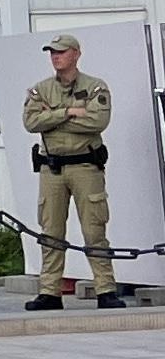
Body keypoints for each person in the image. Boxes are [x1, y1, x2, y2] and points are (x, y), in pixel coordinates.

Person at [24, 32, 128, 311]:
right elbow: (31, 122)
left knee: (94, 229)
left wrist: (52, 116)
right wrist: (69, 112)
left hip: (85, 166)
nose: (55, 57)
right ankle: (49, 292)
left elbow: (97, 121)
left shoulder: (95, 87)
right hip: (52, 169)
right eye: (52, 52)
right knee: (51, 232)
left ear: (76, 54)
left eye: (61, 52)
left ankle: (105, 289)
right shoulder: (40, 90)